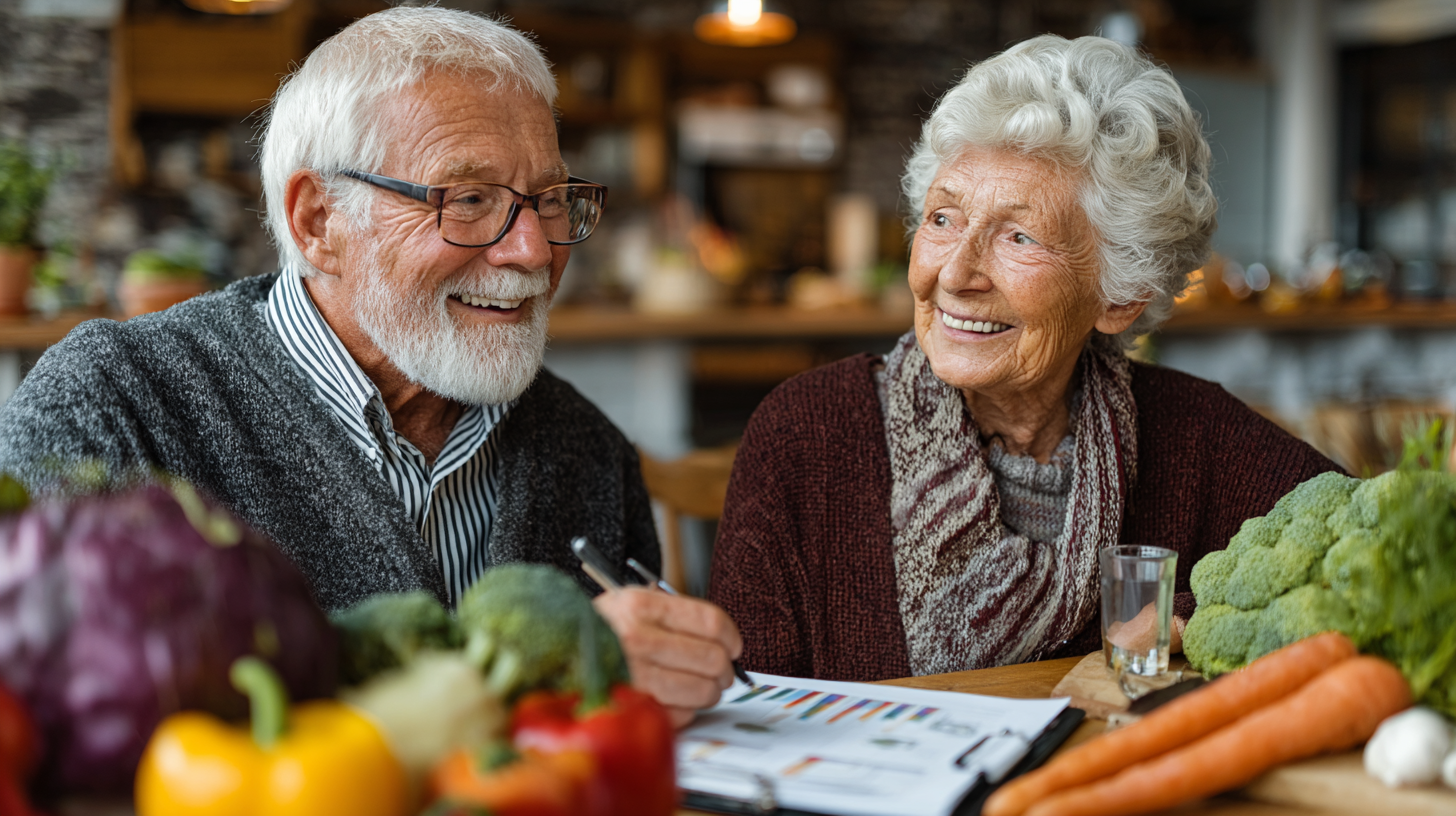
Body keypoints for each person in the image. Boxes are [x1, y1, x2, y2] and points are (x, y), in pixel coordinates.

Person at [0, 8, 737, 726]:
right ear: (318, 222)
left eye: (548, 200)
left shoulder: (588, 450)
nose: (534, 252)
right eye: (470, 199)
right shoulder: (110, 405)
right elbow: (56, 725)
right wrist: (544, 680)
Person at [709, 35, 1341, 682]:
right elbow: (744, 717)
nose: (955, 273)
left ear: (1120, 298)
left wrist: (1196, 616)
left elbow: (1381, 556)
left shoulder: (1197, 436)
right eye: (943, 219)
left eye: (1018, 236)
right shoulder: (804, 435)